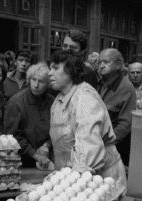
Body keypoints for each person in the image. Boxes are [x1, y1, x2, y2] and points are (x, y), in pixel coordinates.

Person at [48, 50, 127, 187]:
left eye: (55, 68)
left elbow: (88, 145)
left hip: (101, 181)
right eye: (50, 68)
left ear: (71, 71)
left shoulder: (84, 97)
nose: (50, 73)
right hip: (75, 177)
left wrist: (73, 181)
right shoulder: (59, 99)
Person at [4, 62, 54, 168]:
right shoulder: (17, 102)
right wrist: (35, 154)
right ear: (29, 79)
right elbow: (12, 136)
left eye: (41, 82)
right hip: (21, 161)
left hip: (46, 158)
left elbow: (57, 129)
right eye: (33, 80)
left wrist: (47, 145)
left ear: (48, 84)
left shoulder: (52, 102)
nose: (36, 85)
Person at [97, 48, 137, 167]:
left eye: (106, 62)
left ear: (118, 64)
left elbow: (125, 125)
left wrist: (104, 143)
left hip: (113, 149)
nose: (102, 66)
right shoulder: (100, 82)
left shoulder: (126, 88)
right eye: (100, 62)